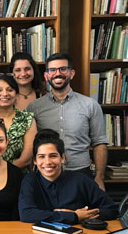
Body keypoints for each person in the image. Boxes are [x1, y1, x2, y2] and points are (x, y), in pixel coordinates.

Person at [27, 53, 108, 190]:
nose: (57, 73)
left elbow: (99, 142)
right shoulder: (34, 107)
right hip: (46, 174)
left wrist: (99, 177)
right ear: (46, 76)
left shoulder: (90, 105)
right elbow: (31, 144)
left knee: (84, 211)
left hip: (80, 173)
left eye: (63, 69)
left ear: (72, 73)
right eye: (52, 70)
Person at [18, 129, 118, 224]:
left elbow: (112, 209)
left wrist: (85, 216)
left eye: (53, 156)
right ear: (35, 161)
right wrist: (73, 216)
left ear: (62, 158)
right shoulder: (30, 180)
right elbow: (26, 214)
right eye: (41, 156)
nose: (47, 162)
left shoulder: (81, 180)